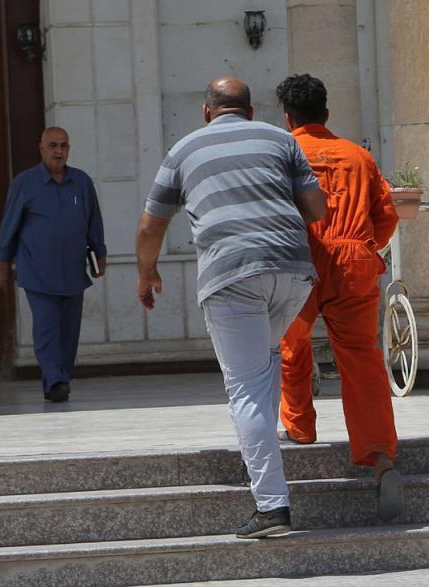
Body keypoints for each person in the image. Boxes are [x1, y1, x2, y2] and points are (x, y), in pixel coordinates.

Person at [136, 77, 326, 539]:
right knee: (262, 369)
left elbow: (150, 225)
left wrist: (146, 273)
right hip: (293, 273)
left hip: (233, 276)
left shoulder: (183, 150)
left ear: (207, 112)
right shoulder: (280, 139)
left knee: (245, 388)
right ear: (250, 111)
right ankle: (268, 484)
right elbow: (317, 208)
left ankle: (271, 506)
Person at [275, 73, 404, 521]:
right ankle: (379, 454)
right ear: (327, 114)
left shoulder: (283, 150)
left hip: (301, 257)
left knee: (293, 344)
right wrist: (364, 246)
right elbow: (385, 217)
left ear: (287, 116)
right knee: (362, 359)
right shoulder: (358, 155)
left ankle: (300, 426)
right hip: (353, 259)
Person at [0, 127, 106, 401]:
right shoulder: (25, 183)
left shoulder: (81, 181)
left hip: (73, 271)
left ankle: (59, 380)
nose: (59, 151)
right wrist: (2, 262)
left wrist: (99, 254)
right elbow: (9, 225)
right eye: (53, 145)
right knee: (46, 329)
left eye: (64, 146)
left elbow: (93, 220)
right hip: (37, 272)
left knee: (69, 333)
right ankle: (56, 380)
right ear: (41, 149)